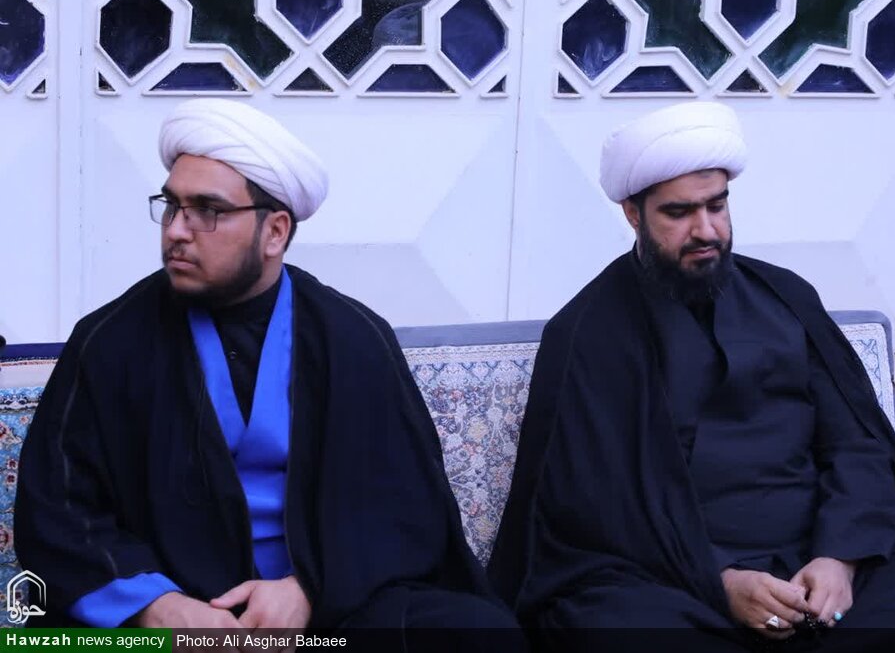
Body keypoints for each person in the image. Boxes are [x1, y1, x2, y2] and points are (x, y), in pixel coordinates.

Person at [487, 101, 895, 651]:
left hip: (816, 565)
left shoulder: (787, 299)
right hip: (671, 582)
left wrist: (840, 559)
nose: (705, 229)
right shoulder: (589, 332)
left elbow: (857, 445)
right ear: (633, 214)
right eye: (678, 213)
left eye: (717, 205)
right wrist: (720, 582)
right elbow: (592, 509)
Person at [14, 99, 525, 648]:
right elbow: (57, 511)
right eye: (172, 205)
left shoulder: (351, 338)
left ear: (275, 231)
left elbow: (406, 511)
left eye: (207, 210)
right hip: (173, 617)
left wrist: (309, 589)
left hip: (325, 617)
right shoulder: (110, 341)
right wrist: (157, 607)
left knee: (479, 635)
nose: (177, 230)